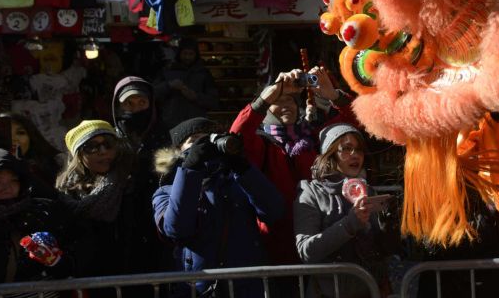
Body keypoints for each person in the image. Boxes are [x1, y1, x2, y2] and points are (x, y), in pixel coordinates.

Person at [229, 67, 356, 274]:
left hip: (320, 237)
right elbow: (236, 136)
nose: (286, 106)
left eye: (290, 101)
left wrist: (332, 94)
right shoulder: (262, 144)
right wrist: (264, 98)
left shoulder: (314, 138)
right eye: (277, 103)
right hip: (277, 240)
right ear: (266, 111)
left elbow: (353, 123)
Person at [153, 117, 284, 298]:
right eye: (195, 140)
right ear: (178, 150)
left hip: (249, 286)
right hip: (200, 289)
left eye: (209, 139)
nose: (205, 146)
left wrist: (243, 168)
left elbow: (274, 211)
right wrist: (190, 169)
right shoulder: (166, 190)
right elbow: (176, 228)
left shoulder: (238, 180)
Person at [0, 144, 89, 293]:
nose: (7, 187)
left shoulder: (43, 211)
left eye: (13, 180)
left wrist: (59, 261)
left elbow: (82, 251)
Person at [294, 123, 396, 298]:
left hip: (369, 290)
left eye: (359, 150)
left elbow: (386, 251)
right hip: (328, 292)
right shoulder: (311, 193)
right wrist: (349, 225)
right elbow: (306, 251)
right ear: (331, 154)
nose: (355, 155)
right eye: (346, 149)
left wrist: (389, 226)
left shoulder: (368, 191)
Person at [56, 120, 133, 280]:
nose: (103, 151)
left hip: (130, 275)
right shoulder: (65, 193)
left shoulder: (131, 183)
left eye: (109, 144)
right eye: (92, 146)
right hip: (86, 278)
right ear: (78, 154)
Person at [112, 76, 172, 278]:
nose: (136, 109)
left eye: (142, 103)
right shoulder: (109, 140)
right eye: (129, 103)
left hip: (156, 215)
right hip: (119, 222)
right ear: (118, 107)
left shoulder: (165, 136)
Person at [0, 113, 65, 199]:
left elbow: (58, 200)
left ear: (31, 137)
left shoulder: (54, 165)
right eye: (6, 134)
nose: (13, 139)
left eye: (20, 133)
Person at [154, 38, 220, 129]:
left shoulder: (203, 73)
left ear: (196, 55)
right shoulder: (167, 71)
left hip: (196, 124)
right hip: (171, 123)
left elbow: (214, 101)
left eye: (191, 54)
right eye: (185, 53)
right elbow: (153, 93)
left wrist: (196, 97)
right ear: (179, 54)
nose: (187, 57)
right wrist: (169, 85)